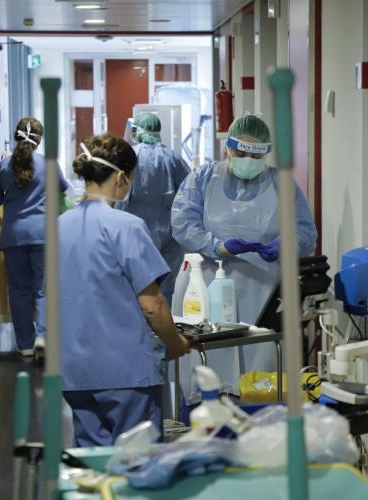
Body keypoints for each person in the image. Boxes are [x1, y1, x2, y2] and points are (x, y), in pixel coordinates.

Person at [58, 134, 191, 447]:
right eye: (132, 178)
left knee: (93, 463)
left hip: (75, 372)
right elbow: (152, 305)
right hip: (126, 374)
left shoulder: (60, 226)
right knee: (136, 462)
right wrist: (175, 343)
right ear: (120, 177)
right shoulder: (126, 226)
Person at [171, 114, 317, 393]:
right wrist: (218, 246)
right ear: (228, 147)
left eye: (255, 155)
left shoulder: (282, 184)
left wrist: (286, 245)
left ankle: (258, 410)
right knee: (206, 367)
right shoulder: (203, 179)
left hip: (261, 290)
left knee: (259, 369)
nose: (248, 160)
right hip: (205, 283)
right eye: (241, 153)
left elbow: (305, 232)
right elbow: (182, 224)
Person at [0, 117, 68, 358]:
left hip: (14, 237)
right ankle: (43, 338)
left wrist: (10, 194)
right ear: (39, 140)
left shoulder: (3, 167)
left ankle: (25, 345)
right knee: (42, 289)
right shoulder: (48, 164)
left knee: (19, 291)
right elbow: (62, 190)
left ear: (16, 136)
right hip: (43, 235)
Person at [123, 112, 190, 304]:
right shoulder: (173, 157)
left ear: (137, 132)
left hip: (136, 232)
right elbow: (190, 193)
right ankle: (162, 320)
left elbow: (119, 197)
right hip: (168, 233)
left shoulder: (131, 157)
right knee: (164, 291)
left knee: (136, 289)